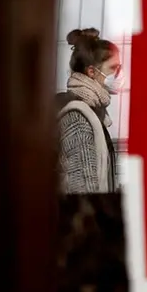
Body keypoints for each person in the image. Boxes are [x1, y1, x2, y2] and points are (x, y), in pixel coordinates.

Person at [55, 28, 125, 193]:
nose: (119, 75)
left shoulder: (92, 112)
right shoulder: (78, 117)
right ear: (92, 72)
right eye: (114, 68)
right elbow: (83, 190)